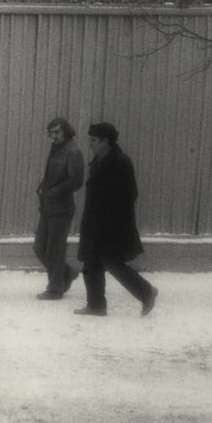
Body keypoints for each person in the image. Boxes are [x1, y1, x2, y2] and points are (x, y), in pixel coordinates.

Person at [75, 123, 158, 317]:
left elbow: (130, 194)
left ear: (106, 141)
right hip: (95, 222)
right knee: (91, 262)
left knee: (112, 263)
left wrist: (111, 218)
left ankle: (146, 292)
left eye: (94, 140)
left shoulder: (121, 162)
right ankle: (95, 305)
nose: (90, 144)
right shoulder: (99, 160)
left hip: (112, 225)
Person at [33, 117, 84, 300]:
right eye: (51, 133)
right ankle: (66, 273)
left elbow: (75, 180)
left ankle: (55, 288)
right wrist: (43, 186)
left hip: (61, 207)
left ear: (66, 132)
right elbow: (52, 175)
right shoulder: (56, 150)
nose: (53, 136)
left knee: (55, 249)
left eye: (57, 132)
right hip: (48, 206)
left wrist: (53, 192)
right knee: (39, 246)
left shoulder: (72, 152)